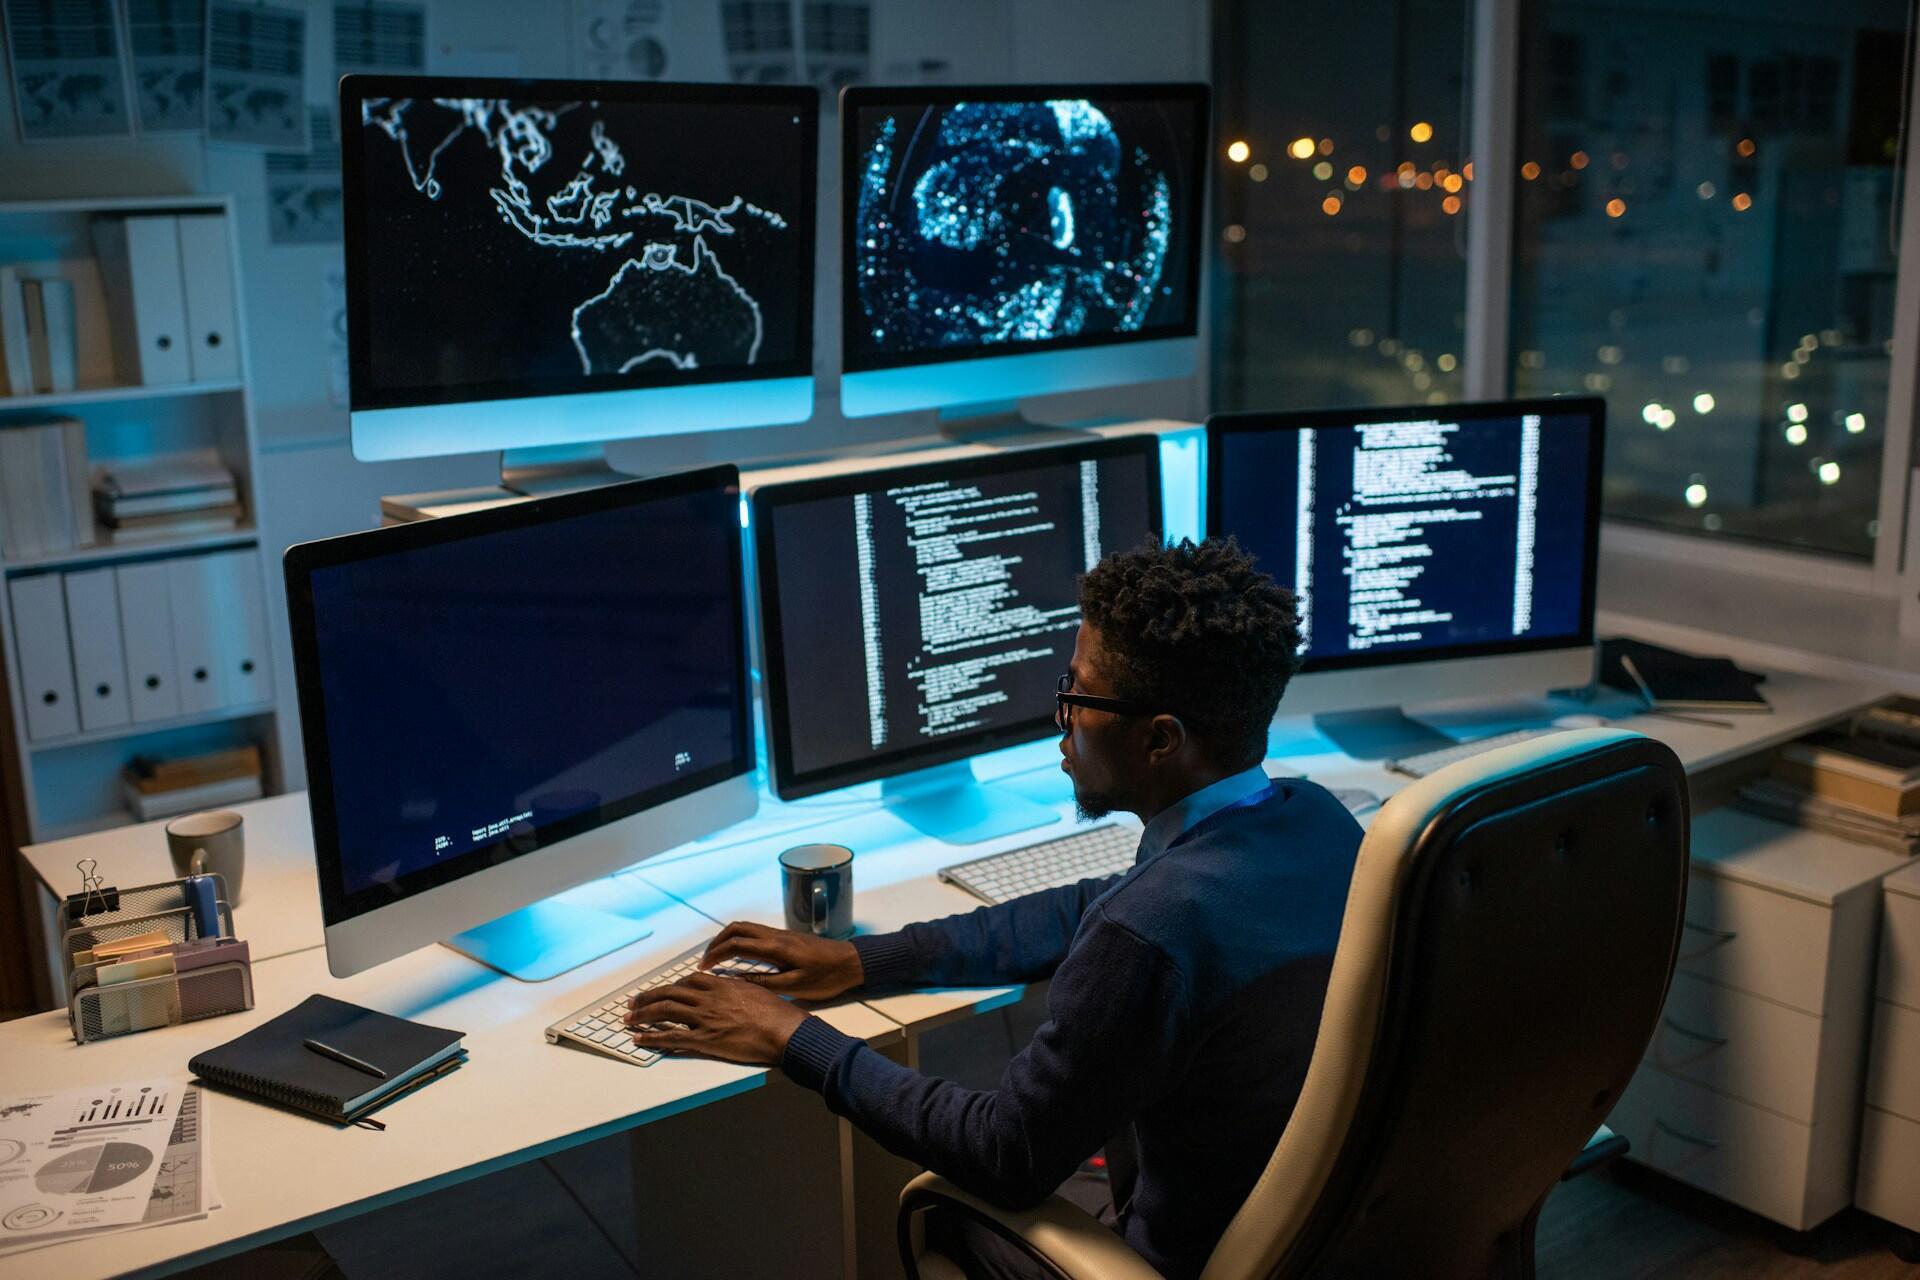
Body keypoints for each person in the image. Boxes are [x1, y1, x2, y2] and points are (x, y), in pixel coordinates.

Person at [624, 537, 1364, 1280]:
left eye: (1078, 696)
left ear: (1160, 740)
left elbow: (1002, 1154)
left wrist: (794, 1038)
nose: (1063, 721)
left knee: (937, 1213)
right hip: (1323, 1242)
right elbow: (1092, 907)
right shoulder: (1320, 823)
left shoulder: (1151, 932)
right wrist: (865, 960)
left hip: (1176, 1260)